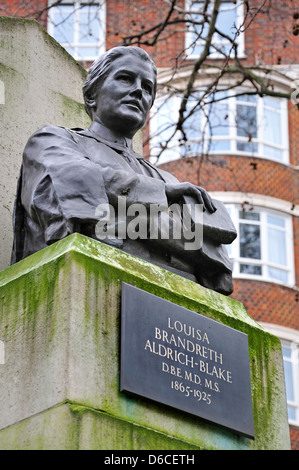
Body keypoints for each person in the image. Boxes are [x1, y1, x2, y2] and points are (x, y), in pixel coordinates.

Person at [11, 46, 236, 295]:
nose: (139, 90)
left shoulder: (167, 179)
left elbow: (215, 266)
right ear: (92, 96)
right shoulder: (53, 141)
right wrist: (163, 207)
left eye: (147, 87)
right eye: (125, 78)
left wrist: (119, 215)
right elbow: (76, 201)